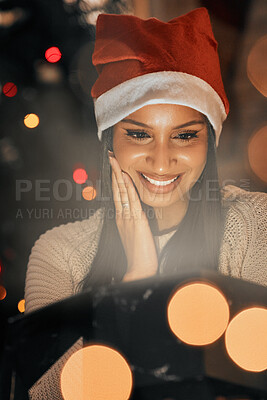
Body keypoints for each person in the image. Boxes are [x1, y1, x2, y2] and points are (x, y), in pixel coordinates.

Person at [24, 8, 267, 399]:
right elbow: (51, 394)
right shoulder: (59, 254)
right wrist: (137, 280)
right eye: (139, 135)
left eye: (185, 136)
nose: (161, 160)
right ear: (109, 142)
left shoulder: (258, 222)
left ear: (211, 143)